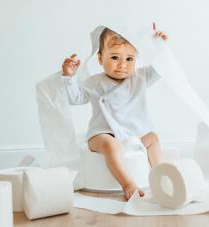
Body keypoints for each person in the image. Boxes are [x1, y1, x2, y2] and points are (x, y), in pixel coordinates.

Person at [61, 23, 168, 200]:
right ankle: (128, 183)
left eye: (129, 59)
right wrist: (69, 77)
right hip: (102, 133)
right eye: (115, 57)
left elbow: (161, 68)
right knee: (111, 145)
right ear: (100, 58)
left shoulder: (140, 78)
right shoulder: (95, 82)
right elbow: (75, 98)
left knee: (153, 138)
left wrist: (158, 46)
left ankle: (161, 175)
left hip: (133, 133)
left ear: (136, 59)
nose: (122, 65)